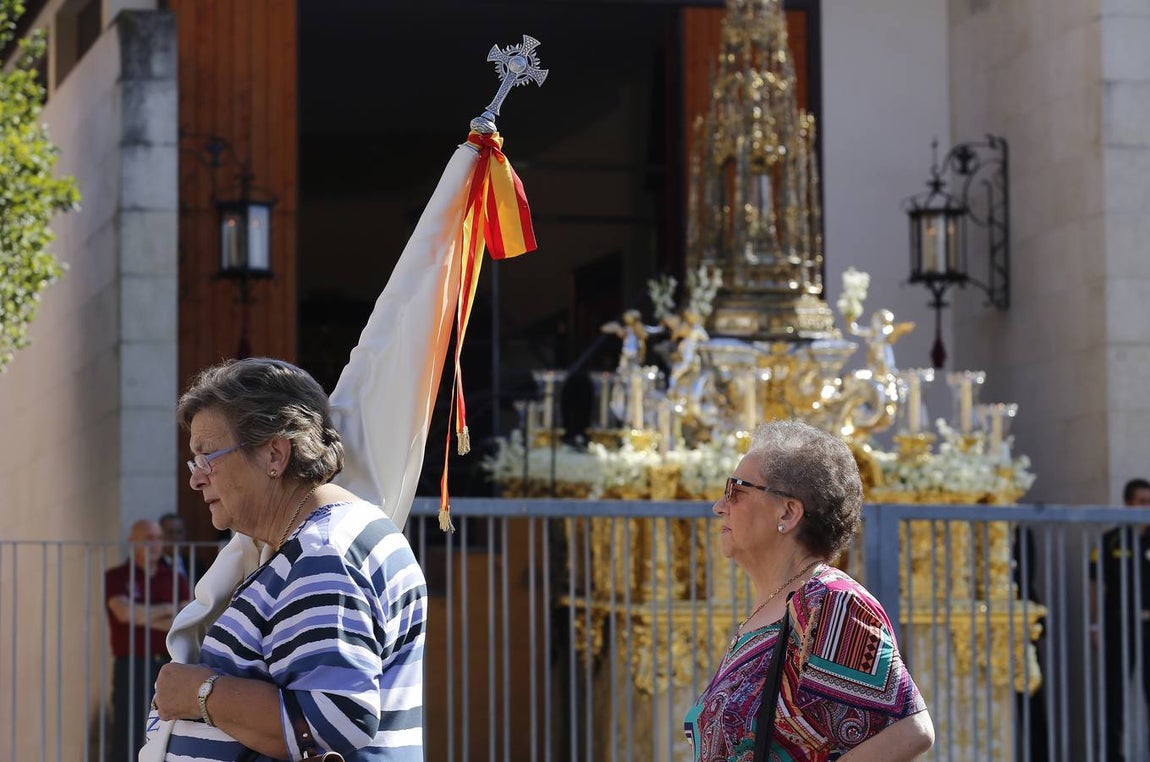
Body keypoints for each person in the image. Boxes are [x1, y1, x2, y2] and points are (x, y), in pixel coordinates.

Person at [151, 357, 427, 760]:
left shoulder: (322, 554)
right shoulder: (319, 544)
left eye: (208, 457)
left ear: (275, 456)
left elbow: (336, 717)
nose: (196, 477)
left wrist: (198, 693)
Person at [684, 420, 934, 761]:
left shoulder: (829, 600)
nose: (719, 505)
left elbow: (910, 731)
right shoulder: (772, 608)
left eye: (736, 491)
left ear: (788, 511)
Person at [105, 518, 189, 762]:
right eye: (148, 538)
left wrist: (141, 615)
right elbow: (123, 613)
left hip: (167, 665)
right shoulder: (116, 576)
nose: (154, 544)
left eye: (158, 539)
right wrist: (167, 609)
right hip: (131, 664)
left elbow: (182, 619)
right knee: (127, 729)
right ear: (132, 542)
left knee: (167, 729)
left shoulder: (174, 577)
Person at [1090, 477, 1150, 761]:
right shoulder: (1110, 540)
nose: (1146, 508)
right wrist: (1095, 625)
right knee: (1114, 696)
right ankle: (1114, 755)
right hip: (1118, 624)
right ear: (1127, 505)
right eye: (1141, 502)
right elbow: (1095, 586)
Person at [158, 512, 196, 583]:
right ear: (160, 535)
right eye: (170, 532)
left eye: (179, 532)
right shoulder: (154, 565)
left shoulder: (195, 564)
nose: (175, 537)